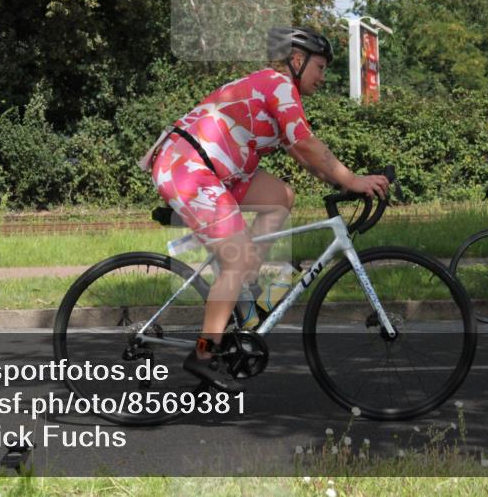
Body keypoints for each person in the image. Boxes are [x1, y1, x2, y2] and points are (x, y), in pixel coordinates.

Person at [141, 26, 389, 392]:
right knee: (238, 259)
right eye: (320, 67)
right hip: (188, 166)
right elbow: (307, 145)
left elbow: (307, 157)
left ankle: (243, 291)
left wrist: (341, 183)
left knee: (280, 198)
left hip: (220, 169)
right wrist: (352, 180)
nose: (324, 77)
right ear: (297, 60)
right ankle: (204, 352)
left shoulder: (280, 93)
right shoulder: (277, 85)